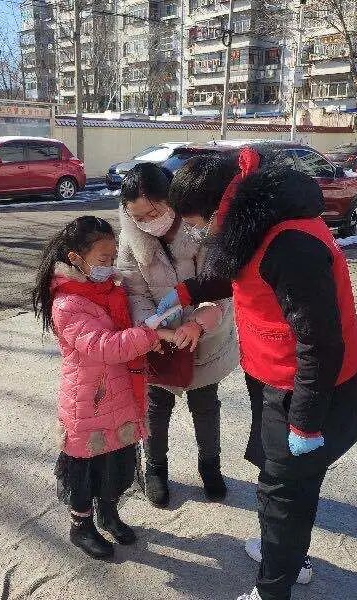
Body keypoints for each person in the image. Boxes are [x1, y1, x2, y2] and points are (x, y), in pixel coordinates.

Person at [158, 150, 357, 600]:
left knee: (283, 487)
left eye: (195, 223)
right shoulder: (256, 223)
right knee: (287, 479)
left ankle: (273, 588)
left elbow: (320, 343)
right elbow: (238, 273)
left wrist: (305, 422)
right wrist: (186, 291)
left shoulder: (290, 245)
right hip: (273, 371)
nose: (195, 233)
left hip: (303, 384)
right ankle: (288, 555)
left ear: (219, 207)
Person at [31, 215, 175, 559]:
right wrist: (150, 335)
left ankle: (109, 513)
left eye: (113, 257)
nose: (109, 265)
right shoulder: (67, 303)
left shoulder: (111, 290)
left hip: (120, 393)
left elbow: (125, 333)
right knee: (86, 469)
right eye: (102, 259)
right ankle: (80, 526)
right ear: (75, 258)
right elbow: (105, 346)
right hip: (88, 400)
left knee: (117, 465)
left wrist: (152, 332)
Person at [116, 163, 239, 507]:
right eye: (138, 217)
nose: (147, 221)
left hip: (207, 337)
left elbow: (221, 288)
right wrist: (156, 329)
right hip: (159, 341)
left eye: (153, 212)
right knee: (156, 407)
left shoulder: (202, 227)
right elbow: (134, 293)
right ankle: (155, 468)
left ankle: (210, 466)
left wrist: (198, 323)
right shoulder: (130, 240)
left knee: (205, 405)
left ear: (170, 200)